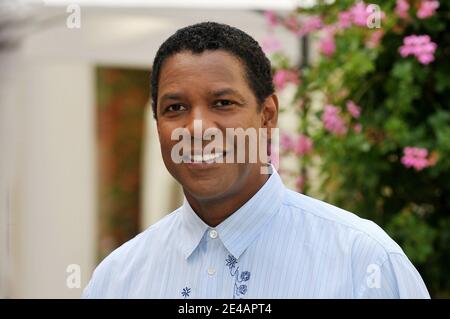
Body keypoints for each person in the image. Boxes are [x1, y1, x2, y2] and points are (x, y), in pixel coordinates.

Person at [83, 21, 430, 298]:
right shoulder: (117, 280)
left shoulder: (362, 262)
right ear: (158, 123)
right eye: (176, 108)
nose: (198, 128)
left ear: (267, 116)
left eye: (223, 103)